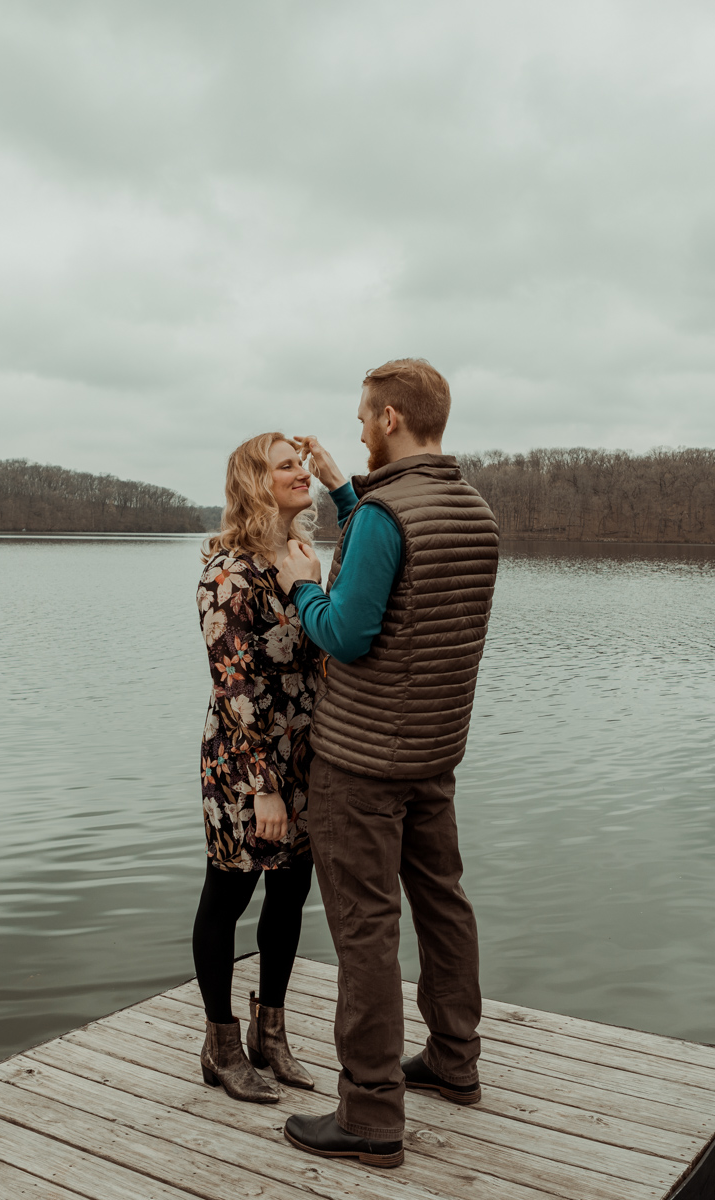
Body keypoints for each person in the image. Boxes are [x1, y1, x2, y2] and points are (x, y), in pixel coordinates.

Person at [274, 359, 500, 1168]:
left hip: (361, 763)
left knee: (365, 931)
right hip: (433, 754)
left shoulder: (384, 516)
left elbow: (349, 631)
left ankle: (370, 1115)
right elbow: (398, 570)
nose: (358, 429)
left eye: (365, 418)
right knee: (443, 904)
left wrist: (303, 588)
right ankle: (453, 1058)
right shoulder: (473, 509)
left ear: (394, 416)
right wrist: (346, 492)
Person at [192, 432, 324, 1103]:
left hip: (304, 759)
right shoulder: (227, 574)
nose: (303, 472)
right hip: (245, 768)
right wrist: (264, 789)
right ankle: (220, 1043)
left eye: (302, 463)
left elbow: (320, 658)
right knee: (230, 893)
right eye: (286, 465)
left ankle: (271, 1035)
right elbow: (233, 686)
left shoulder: (302, 557)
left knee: (292, 891)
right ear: (254, 483)